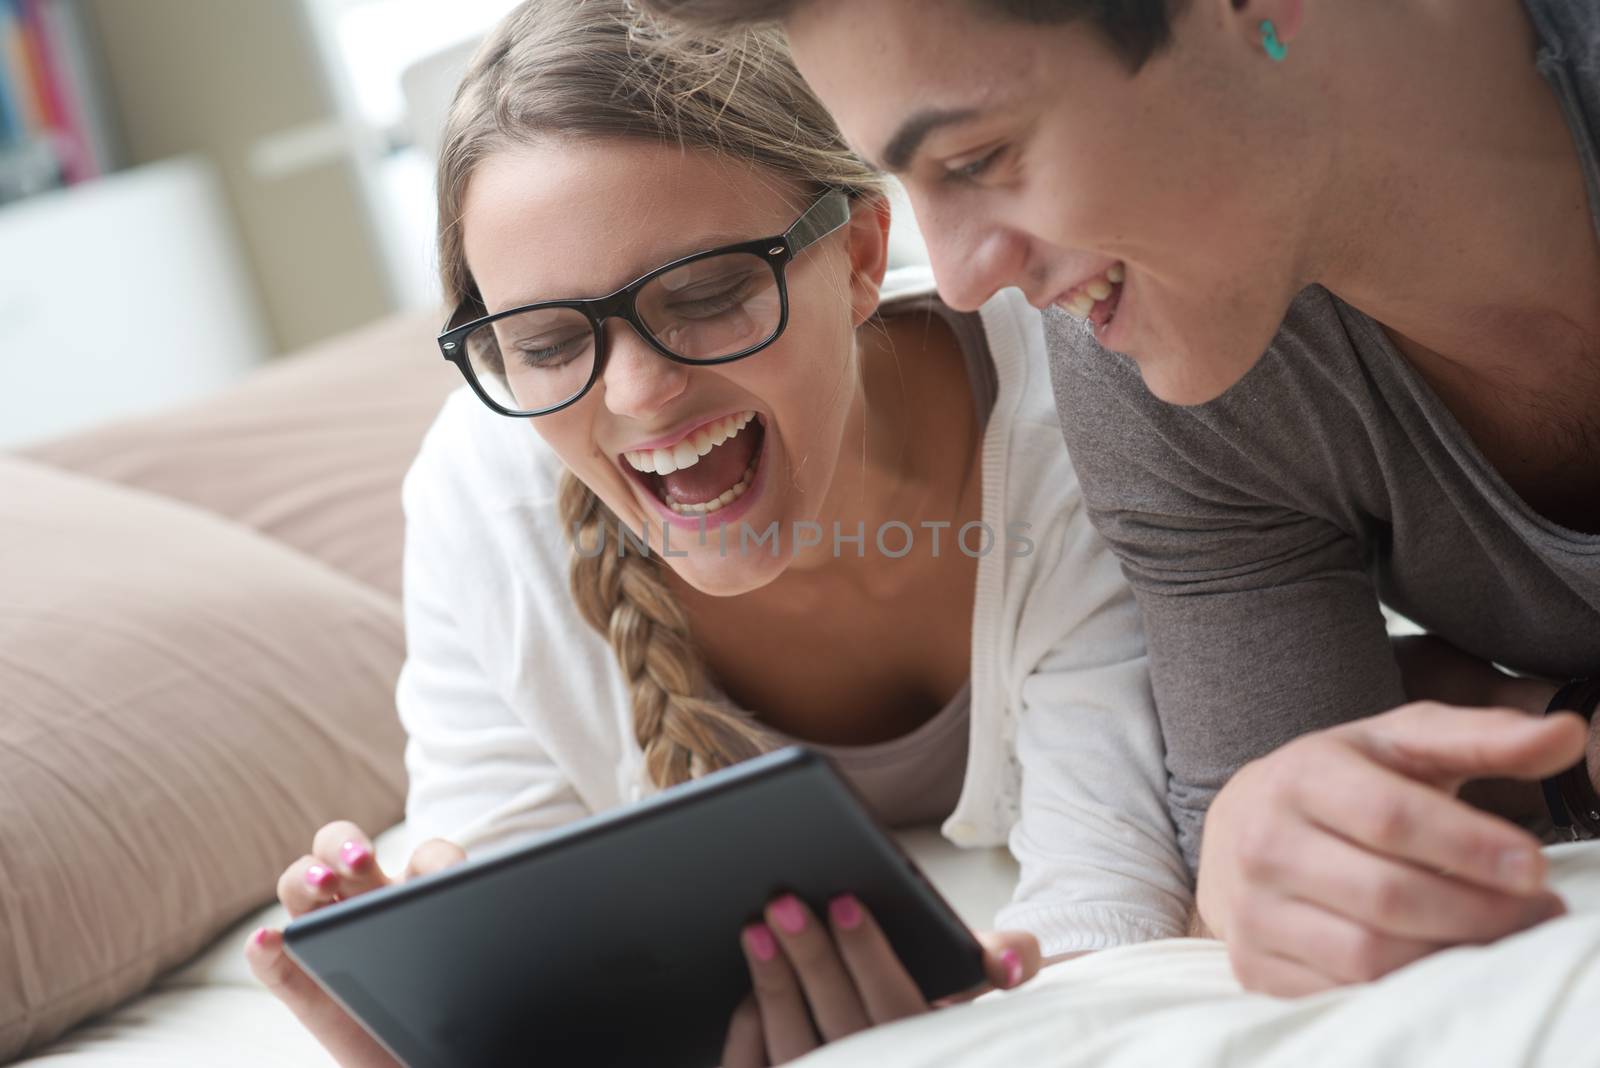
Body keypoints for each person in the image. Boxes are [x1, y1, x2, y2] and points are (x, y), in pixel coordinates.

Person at [242, 2, 1194, 1064]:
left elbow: (1111, 920)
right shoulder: (486, 500)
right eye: (549, 342)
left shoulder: (1075, 408)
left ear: (861, 253)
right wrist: (458, 1031)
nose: (643, 393)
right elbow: (523, 914)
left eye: (704, 294)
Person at [639, 0, 1600, 996]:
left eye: (977, 156)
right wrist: (1258, 838)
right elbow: (1301, 852)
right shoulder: (1157, 367)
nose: (963, 283)